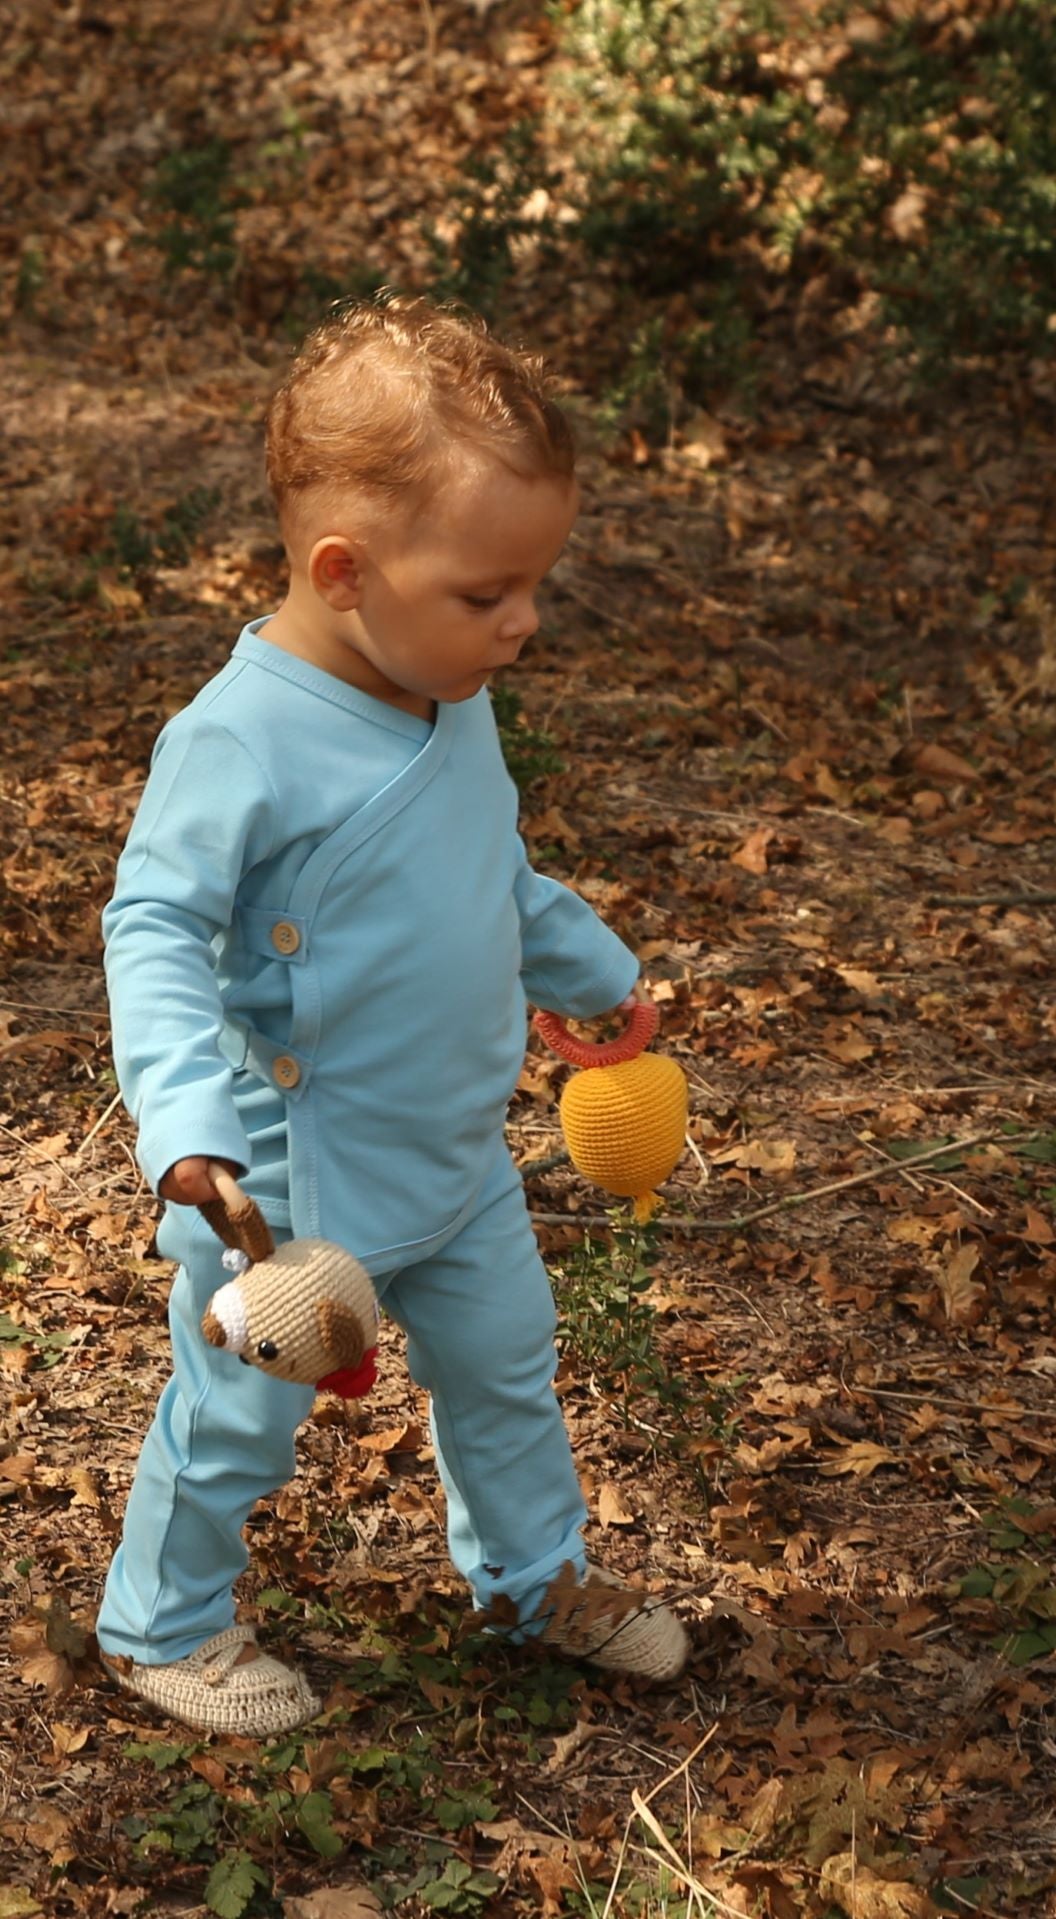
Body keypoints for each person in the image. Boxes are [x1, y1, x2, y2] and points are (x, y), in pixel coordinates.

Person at [96, 295, 688, 1737]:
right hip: (285, 1186)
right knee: (238, 1419)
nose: (523, 622)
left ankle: (531, 1581)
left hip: (454, 1151)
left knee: (505, 1371)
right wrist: (184, 1124)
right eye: (488, 594)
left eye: (533, 585)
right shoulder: (239, 739)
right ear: (345, 571)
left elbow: (487, 874)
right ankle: (161, 1627)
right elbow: (153, 926)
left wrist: (591, 969)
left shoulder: (445, 689)